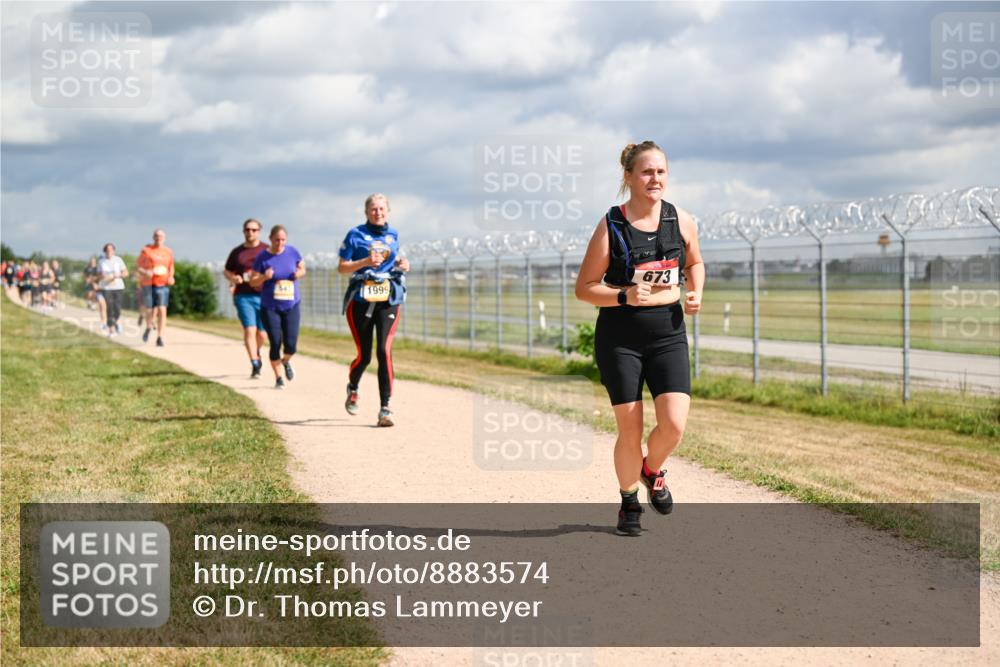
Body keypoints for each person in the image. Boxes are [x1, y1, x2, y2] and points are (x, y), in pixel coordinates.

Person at [574, 141, 705, 537]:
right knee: (630, 430)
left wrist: (697, 290)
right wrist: (622, 296)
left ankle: (650, 470)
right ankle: (629, 501)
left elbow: (695, 261)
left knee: (674, 425)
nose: (655, 179)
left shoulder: (681, 219)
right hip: (621, 337)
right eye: (647, 172)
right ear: (629, 177)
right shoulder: (611, 225)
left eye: (661, 172)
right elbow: (584, 288)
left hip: (668, 333)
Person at [338, 194, 410, 427]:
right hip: (361, 300)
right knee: (365, 356)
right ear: (366, 212)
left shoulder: (393, 235)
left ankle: (385, 408)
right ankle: (353, 386)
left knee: (384, 351)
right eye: (373, 209)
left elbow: (394, 257)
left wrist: (403, 263)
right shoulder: (355, 234)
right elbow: (341, 267)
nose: (377, 212)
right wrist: (365, 262)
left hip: (388, 298)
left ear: (387, 211)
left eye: (381, 209)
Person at [250, 225, 305, 389]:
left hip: (291, 304)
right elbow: (252, 281)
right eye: (277, 240)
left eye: (283, 240)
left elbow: (302, 268)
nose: (280, 243)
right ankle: (279, 377)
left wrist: (297, 274)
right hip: (270, 306)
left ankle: (286, 361)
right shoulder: (263, 257)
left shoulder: (293, 252)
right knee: (275, 342)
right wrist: (264, 277)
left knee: (291, 344)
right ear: (270, 239)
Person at [224, 218, 268, 378]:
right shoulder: (237, 252)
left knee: (262, 334)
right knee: (250, 329)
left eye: (254, 230)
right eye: (247, 230)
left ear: (259, 231)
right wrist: (233, 278)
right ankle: (255, 363)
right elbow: (227, 270)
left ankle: (256, 352)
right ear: (243, 231)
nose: (250, 232)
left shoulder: (266, 250)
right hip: (243, 295)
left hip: (264, 296)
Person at [137, 229, 175, 347]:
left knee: (162, 310)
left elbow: (171, 267)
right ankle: (148, 327)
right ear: (153, 237)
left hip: (162, 284)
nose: (159, 238)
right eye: (157, 236)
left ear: (164, 238)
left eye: (161, 236)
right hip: (148, 284)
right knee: (150, 310)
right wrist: (146, 272)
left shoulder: (168, 251)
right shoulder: (146, 250)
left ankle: (160, 337)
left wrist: (171, 277)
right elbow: (138, 267)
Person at [97, 243, 129, 336]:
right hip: (106, 288)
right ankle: (111, 329)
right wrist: (103, 276)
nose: (109, 252)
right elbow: (98, 275)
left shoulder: (118, 260)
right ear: (104, 251)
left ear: (114, 251)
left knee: (117, 308)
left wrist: (117, 275)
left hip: (118, 287)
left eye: (111, 250)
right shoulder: (101, 262)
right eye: (107, 250)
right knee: (109, 308)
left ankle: (117, 322)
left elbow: (126, 272)